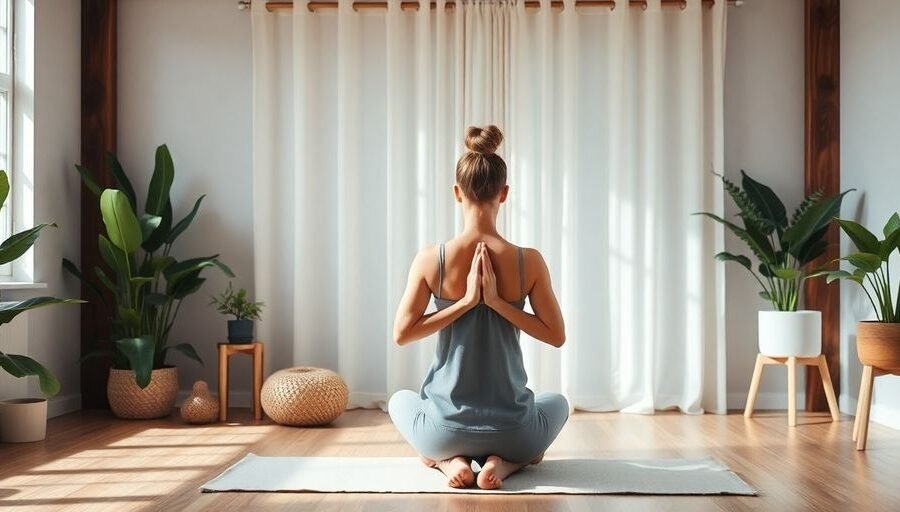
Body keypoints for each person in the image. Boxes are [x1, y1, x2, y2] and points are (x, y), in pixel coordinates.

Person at [389, 125, 569, 490]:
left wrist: (467, 302)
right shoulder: (528, 261)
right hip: (514, 432)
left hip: (445, 432)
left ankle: (446, 462)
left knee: (399, 400)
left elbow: (402, 335)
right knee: (558, 403)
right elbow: (556, 336)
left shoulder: (431, 259)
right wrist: (495, 302)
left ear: (457, 193)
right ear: (504, 194)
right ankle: (505, 465)